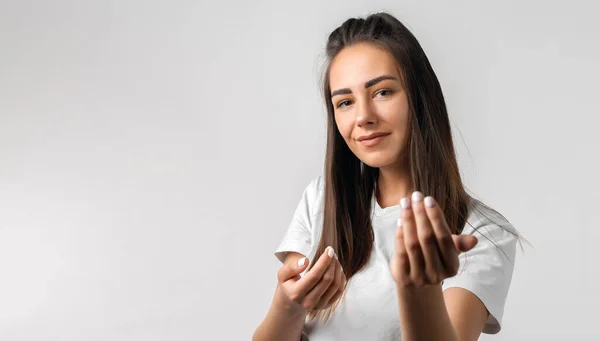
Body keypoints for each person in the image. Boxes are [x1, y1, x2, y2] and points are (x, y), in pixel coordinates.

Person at [252, 11, 520, 341]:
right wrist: (287, 305)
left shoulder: (483, 232)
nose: (363, 117)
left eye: (382, 92)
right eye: (345, 102)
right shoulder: (321, 201)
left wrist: (418, 290)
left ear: (419, 97)